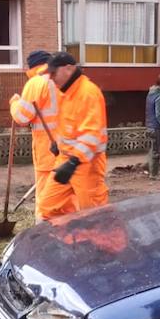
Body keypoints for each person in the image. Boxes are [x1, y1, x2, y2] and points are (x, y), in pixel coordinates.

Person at [37, 52, 108, 219]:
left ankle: (96, 242)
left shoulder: (88, 93)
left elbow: (92, 134)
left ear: (69, 69)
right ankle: (71, 239)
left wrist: (73, 161)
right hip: (66, 161)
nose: (51, 78)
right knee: (47, 206)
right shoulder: (66, 93)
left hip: (87, 164)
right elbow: (69, 127)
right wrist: (59, 145)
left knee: (93, 214)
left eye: (54, 73)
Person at [8, 49, 59, 219]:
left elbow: (22, 117)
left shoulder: (36, 83)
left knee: (46, 201)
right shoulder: (65, 80)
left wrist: (14, 103)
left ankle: (43, 236)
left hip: (48, 152)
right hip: (71, 151)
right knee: (67, 199)